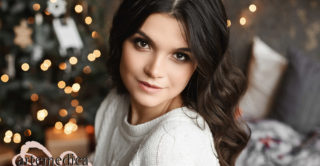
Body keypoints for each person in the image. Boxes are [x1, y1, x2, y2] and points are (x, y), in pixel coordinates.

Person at [93, 0, 249, 165]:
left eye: (180, 56)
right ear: (121, 39)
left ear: (199, 64)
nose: (154, 70)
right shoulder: (116, 103)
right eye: (143, 43)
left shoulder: (171, 145)